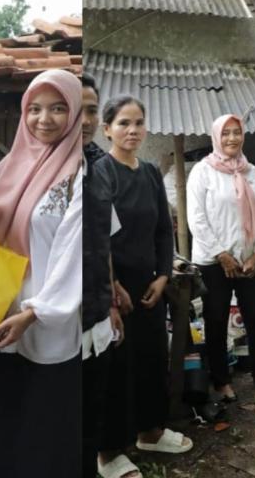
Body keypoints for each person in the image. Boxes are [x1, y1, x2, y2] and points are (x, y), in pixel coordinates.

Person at [0, 69, 84, 477]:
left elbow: (73, 252)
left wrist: (35, 312)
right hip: (5, 309)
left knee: (46, 421)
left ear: (75, 113)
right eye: (34, 109)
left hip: (49, 318)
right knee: (10, 415)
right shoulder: (3, 171)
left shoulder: (79, 173)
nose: (43, 119)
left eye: (57, 109)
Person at [93, 96, 192, 478]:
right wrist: (113, 286)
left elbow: (164, 230)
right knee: (116, 366)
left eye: (138, 123)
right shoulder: (103, 173)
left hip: (151, 284)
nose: (132, 130)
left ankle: (150, 431)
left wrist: (164, 274)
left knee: (152, 359)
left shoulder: (150, 172)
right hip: (116, 286)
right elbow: (100, 238)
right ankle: (108, 452)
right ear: (107, 130)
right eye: (123, 123)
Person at [187, 114, 255, 402]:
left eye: (237, 132)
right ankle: (221, 380)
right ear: (216, 137)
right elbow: (197, 218)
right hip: (213, 262)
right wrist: (221, 254)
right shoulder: (202, 172)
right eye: (226, 133)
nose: (232, 138)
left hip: (249, 260)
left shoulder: (251, 171)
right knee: (216, 321)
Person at [80, 73, 124, 478]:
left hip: (95, 316)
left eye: (91, 109)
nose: (84, 118)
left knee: (90, 416)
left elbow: (103, 240)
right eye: (72, 107)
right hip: (52, 322)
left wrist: (110, 300)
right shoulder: (32, 169)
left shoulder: (100, 167)